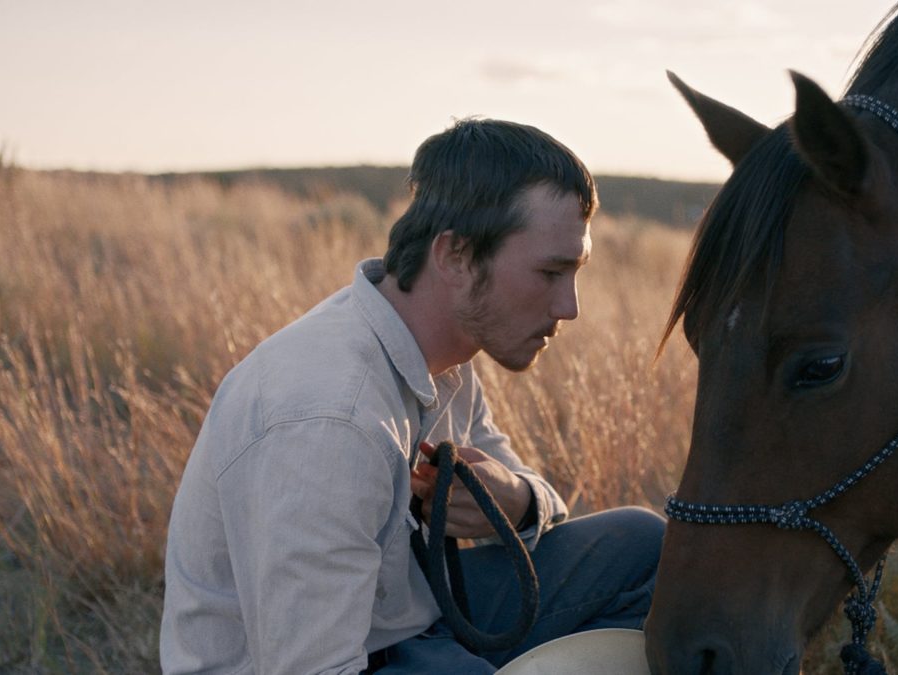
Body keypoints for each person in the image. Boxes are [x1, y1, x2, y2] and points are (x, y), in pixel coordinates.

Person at [159, 118, 665, 674]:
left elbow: (538, 505)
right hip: (334, 657)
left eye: (575, 271)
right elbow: (312, 665)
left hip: (409, 614)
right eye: (550, 272)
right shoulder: (330, 420)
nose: (570, 307)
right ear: (455, 256)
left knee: (646, 547)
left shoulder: (443, 355)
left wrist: (515, 500)